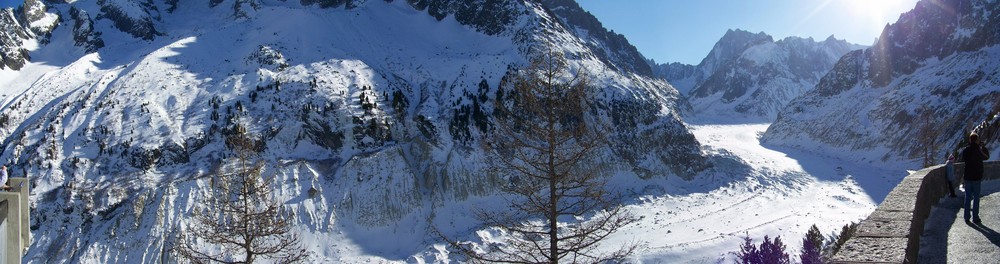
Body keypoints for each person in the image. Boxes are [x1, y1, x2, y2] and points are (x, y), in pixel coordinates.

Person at [962, 133, 990, 224]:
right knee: (976, 198)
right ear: (977, 140)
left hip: (967, 177)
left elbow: (963, 158)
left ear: (970, 140)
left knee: (967, 198)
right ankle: (975, 217)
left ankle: (966, 216)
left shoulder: (966, 150)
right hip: (976, 178)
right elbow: (986, 157)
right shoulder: (978, 150)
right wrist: (983, 147)